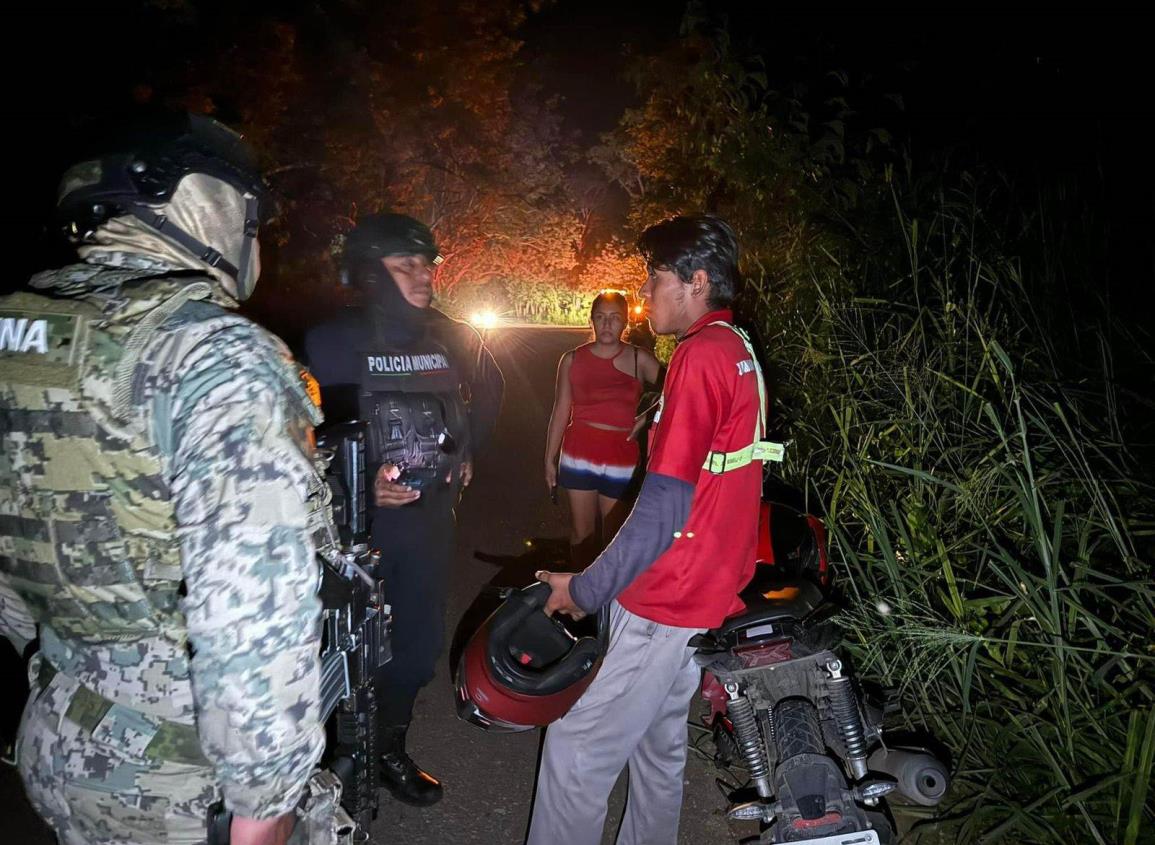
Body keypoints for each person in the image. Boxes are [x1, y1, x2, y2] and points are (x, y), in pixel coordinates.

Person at [0, 112, 327, 845]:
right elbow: (250, 607)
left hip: (59, 730)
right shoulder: (212, 355)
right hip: (181, 778)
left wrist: (75, 653)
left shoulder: (22, 337)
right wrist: (264, 800)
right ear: (205, 206)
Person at [529, 215, 769, 845]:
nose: (645, 291)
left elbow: (663, 510)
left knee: (575, 752)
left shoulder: (696, 358)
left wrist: (583, 589)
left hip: (668, 595)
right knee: (659, 750)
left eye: (653, 276)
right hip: (708, 586)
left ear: (694, 281)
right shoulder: (739, 350)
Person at [304, 213, 504, 807]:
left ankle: (387, 750)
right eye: (406, 266)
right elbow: (290, 437)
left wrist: (466, 451)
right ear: (370, 275)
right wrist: (351, 484)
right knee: (334, 647)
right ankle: (324, 764)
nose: (423, 276)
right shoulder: (326, 341)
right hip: (349, 529)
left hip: (426, 523)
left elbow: (490, 385)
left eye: (427, 264)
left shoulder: (449, 335)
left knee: (415, 647)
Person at [544, 291, 662, 567]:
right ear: (592, 321)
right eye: (601, 317)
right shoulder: (571, 359)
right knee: (581, 535)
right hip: (578, 454)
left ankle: (610, 602)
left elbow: (675, 390)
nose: (607, 324)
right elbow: (561, 409)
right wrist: (549, 459)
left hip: (621, 456)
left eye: (615, 318)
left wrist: (646, 418)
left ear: (625, 324)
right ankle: (581, 600)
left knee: (615, 536)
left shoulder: (639, 359)